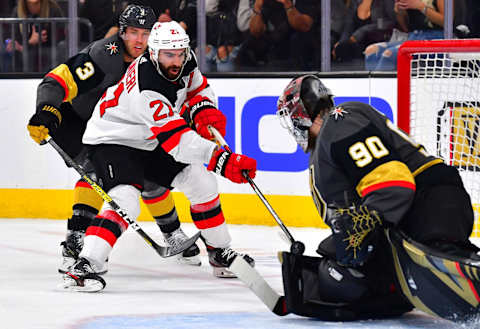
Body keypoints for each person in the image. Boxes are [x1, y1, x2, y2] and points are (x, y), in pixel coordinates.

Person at [56, 20, 256, 292]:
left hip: (149, 138)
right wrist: (222, 159)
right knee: (125, 198)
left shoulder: (186, 58)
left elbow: (197, 88)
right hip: (113, 138)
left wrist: (203, 108)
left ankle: (220, 252)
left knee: (201, 180)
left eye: (180, 53)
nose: (176, 61)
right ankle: (86, 264)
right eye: (168, 55)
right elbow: (178, 142)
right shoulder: (146, 86)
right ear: (153, 53)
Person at [274, 74, 479, 320]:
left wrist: (367, 222)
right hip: (412, 211)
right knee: (338, 277)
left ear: (301, 115)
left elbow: (393, 185)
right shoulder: (329, 139)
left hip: (428, 200)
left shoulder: (339, 121)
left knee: (443, 265)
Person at [27, 5, 202, 278]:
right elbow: (55, 80)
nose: (139, 41)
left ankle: (172, 233)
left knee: (150, 175)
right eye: (133, 32)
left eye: (146, 34)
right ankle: (76, 239)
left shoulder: (161, 60)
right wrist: (47, 109)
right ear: (122, 32)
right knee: (96, 174)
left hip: (123, 129)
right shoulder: (103, 56)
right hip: (80, 122)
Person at [364, 0, 445, 71]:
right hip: (413, 37)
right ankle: (373, 86)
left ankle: (378, 87)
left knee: (390, 54)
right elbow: (405, 28)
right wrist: (400, 12)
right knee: (371, 51)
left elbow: (447, 22)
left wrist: (421, 7)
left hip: (436, 39)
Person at [3, 0, 64, 72]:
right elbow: (14, 39)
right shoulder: (17, 11)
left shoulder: (53, 8)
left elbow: (60, 36)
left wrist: (42, 38)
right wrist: (29, 42)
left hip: (49, 57)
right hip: (24, 60)